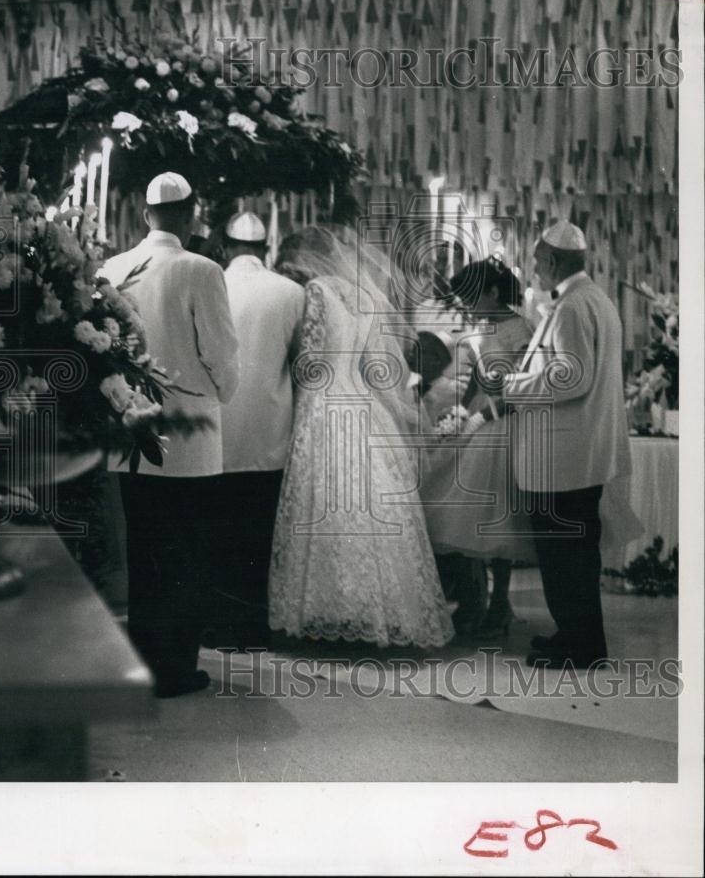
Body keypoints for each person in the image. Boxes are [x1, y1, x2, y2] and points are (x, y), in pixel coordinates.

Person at [268, 225, 453, 648]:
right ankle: (377, 610)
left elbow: (311, 358)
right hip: (362, 403)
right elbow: (377, 365)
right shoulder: (364, 297)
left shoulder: (316, 291)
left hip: (323, 400)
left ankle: (329, 608)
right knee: (365, 502)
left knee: (322, 502)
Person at [101, 172, 239, 697]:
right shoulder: (201, 269)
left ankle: (143, 664)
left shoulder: (112, 268)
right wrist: (223, 393)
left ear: (144, 214)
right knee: (187, 553)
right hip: (193, 433)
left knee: (145, 550)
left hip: (131, 430)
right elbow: (221, 351)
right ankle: (176, 669)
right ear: (191, 212)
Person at [486, 221, 631, 669]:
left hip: (562, 457)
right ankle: (577, 637)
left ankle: (580, 646)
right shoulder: (596, 300)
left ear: (551, 261)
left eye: (536, 261)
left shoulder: (571, 307)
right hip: (577, 454)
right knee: (575, 554)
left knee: (564, 554)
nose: (533, 269)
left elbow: (572, 376)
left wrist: (510, 386)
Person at [420, 257, 535, 638]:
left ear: (493, 292)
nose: (466, 303)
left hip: (507, 424)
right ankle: (476, 598)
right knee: (455, 504)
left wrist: (484, 416)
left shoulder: (521, 329)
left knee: (500, 516)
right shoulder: (479, 328)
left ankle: (500, 601)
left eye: (472, 296)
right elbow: (475, 378)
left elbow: (522, 387)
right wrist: (458, 411)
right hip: (477, 417)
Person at [212, 210, 305, 647]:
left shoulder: (211, 282)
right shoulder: (291, 292)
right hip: (270, 427)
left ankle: (219, 621)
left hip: (217, 427)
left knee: (218, 529)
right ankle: (254, 623)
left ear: (226, 248)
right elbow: (301, 361)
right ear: (265, 249)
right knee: (259, 533)